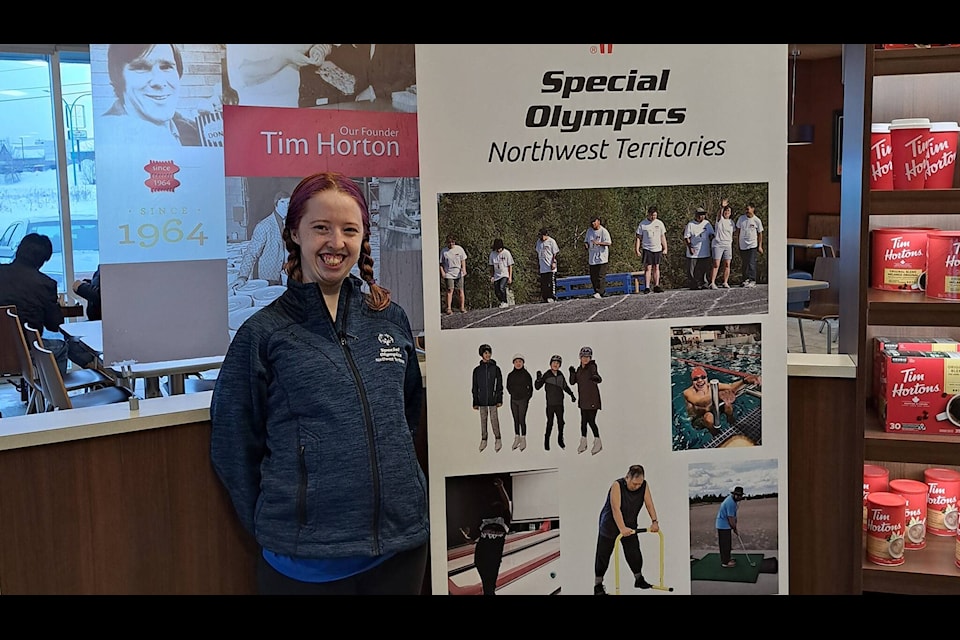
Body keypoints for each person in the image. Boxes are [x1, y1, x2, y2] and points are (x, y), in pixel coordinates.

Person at [209, 172, 428, 595]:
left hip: (400, 550)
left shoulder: (390, 320)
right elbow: (233, 442)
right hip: (303, 564)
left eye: (349, 229)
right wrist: (281, 523)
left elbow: (407, 415)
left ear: (363, 237)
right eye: (321, 228)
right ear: (295, 232)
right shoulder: (264, 335)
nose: (336, 242)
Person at [0, 233, 95, 376]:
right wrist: (54, 304)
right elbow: (54, 324)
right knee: (61, 347)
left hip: (4, 352)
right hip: (25, 350)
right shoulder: (45, 284)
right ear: (43, 259)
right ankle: (57, 395)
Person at [102, 44, 202, 146]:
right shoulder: (107, 136)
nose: (158, 81)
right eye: (141, 67)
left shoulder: (195, 132)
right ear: (118, 77)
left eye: (166, 67)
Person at [594, 464, 660, 595]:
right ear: (627, 478)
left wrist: (654, 521)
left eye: (639, 484)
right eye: (634, 484)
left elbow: (649, 503)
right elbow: (615, 509)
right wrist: (621, 528)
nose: (637, 487)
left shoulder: (644, 485)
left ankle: (639, 579)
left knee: (634, 552)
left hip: (629, 525)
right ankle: (598, 585)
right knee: (603, 555)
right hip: (609, 525)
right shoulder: (617, 485)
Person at [225, 44, 327, 108]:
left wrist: (319, 49)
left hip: (291, 103)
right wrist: (285, 59)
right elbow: (240, 76)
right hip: (256, 109)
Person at [460, 477, 512, 596]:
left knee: (490, 585)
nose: (496, 507)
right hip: (481, 557)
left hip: (493, 557)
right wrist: (465, 536)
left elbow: (506, 504)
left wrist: (500, 487)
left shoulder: (503, 521)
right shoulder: (484, 522)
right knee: (488, 584)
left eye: (497, 505)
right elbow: (472, 541)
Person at [683, 366, 761, 437]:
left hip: (714, 409)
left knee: (728, 405)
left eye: (703, 377)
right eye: (695, 379)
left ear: (707, 378)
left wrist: (745, 381)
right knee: (708, 417)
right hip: (699, 418)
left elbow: (731, 387)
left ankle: (732, 423)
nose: (700, 380)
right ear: (692, 381)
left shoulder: (712, 385)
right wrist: (718, 394)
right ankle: (716, 434)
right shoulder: (688, 392)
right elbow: (701, 403)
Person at [236, 190, 292, 288]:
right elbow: (251, 253)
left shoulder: (288, 224)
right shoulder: (264, 226)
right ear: (276, 204)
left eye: (288, 203)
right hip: (267, 277)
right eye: (282, 202)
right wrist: (243, 276)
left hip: (282, 275)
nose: (286, 206)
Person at [534, 354, 576, 451]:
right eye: (554, 363)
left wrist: (572, 395)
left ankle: (560, 439)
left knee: (561, 422)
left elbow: (565, 387)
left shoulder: (561, 375)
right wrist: (538, 379)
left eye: (558, 363)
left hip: (560, 403)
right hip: (550, 404)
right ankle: (546, 440)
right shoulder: (547, 374)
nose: (555, 365)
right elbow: (537, 387)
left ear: (560, 365)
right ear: (550, 364)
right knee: (550, 422)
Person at [569, 346, 603, 455]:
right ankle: (583, 442)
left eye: (588, 357)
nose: (586, 359)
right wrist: (572, 373)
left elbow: (596, 374)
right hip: (583, 400)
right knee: (583, 421)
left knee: (591, 421)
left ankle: (598, 441)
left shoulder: (592, 366)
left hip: (592, 399)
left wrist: (596, 377)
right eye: (584, 357)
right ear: (580, 357)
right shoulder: (579, 370)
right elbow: (572, 382)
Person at [472, 343, 504, 453]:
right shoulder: (477, 370)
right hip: (481, 400)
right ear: (481, 354)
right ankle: (484, 439)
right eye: (485, 353)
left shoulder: (495, 368)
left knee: (494, 419)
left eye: (489, 352)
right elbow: (475, 386)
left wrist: (499, 398)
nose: (488, 355)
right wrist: (475, 401)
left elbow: (499, 384)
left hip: (493, 399)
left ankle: (498, 438)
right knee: (483, 420)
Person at [634, 205, 668, 294]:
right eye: (652, 215)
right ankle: (647, 287)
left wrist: (665, 248)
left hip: (657, 248)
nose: (653, 217)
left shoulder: (659, 223)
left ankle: (656, 285)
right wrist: (637, 249)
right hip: (647, 248)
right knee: (648, 268)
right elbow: (638, 238)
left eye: (655, 215)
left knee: (656, 267)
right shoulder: (642, 224)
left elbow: (662, 236)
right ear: (648, 214)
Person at [506, 353, 533, 451]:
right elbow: (508, 386)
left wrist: (527, 398)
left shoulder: (526, 374)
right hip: (513, 400)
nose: (518, 363)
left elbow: (531, 387)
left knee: (522, 419)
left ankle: (523, 438)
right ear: (513, 363)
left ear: (523, 363)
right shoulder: (511, 375)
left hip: (523, 400)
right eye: (516, 362)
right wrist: (513, 394)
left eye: (520, 362)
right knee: (515, 419)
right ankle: (517, 437)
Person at [683, 207, 715, 290]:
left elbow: (712, 234)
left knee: (703, 268)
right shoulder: (691, 224)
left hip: (704, 250)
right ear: (696, 215)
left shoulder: (707, 224)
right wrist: (690, 247)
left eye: (703, 215)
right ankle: (693, 284)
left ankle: (704, 283)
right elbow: (686, 237)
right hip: (694, 251)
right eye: (700, 215)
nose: (702, 216)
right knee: (692, 269)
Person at [735, 202, 765, 288]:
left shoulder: (757, 220)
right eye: (746, 209)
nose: (747, 211)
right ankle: (745, 279)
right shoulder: (741, 219)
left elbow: (760, 234)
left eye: (748, 209)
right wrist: (737, 243)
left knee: (751, 262)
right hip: (743, 245)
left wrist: (760, 246)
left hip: (752, 245)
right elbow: (738, 231)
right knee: (744, 263)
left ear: (753, 209)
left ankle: (752, 279)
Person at [716, 486, 745, 568]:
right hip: (723, 525)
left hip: (726, 525)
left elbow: (734, 516)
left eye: (740, 495)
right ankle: (725, 562)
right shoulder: (730, 503)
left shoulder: (733, 500)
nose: (739, 497)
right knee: (725, 544)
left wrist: (734, 526)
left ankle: (727, 559)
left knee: (728, 544)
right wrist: (734, 528)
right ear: (734, 494)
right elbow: (730, 518)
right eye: (738, 495)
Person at [709, 199, 735, 289]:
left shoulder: (732, 222)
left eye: (728, 211)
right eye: (726, 211)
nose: (727, 212)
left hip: (728, 245)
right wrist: (722, 207)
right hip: (718, 244)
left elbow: (733, 233)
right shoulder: (720, 220)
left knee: (727, 264)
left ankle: (725, 282)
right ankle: (712, 282)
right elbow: (719, 215)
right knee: (716, 264)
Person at [440, 234, 468, 315]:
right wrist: (442, 272)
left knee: (460, 290)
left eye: (453, 242)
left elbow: (463, 260)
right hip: (449, 273)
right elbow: (441, 263)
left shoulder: (459, 249)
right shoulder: (444, 251)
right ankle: (448, 308)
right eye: (449, 242)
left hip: (459, 273)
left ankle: (462, 307)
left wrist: (464, 269)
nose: (451, 244)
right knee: (450, 290)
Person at [584, 216, 612, 298]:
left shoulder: (603, 231)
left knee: (600, 276)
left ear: (598, 222)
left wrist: (599, 243)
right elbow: (586, 241)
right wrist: (586, 245)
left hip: (601, 257)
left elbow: (608, 242)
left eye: (594, 222)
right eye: (592, 222)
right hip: (592, 257)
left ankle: (600, 292)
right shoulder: (589, 231)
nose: (593, 224)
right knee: (593, 276)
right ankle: (597, 291)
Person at [536, 228, 560, 303]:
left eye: (542, 235)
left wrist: (553, 262)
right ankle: (545, 297)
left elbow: (555, 253)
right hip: (543, 266)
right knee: (544, 284)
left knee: (551, 282)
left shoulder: (551, 241)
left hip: (550, 266)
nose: (541, 237)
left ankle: (553, 296)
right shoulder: (539, 242)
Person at [488, 238, 514, 309]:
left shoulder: (507, 253)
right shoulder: (492, 254)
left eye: (500, 248)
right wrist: (492, 276)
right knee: (496, 291)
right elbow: (491, 266)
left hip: (504, 274)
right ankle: (502, 301)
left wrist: (510, 277)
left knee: (501, 287)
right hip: (497, 275)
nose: (498, 250)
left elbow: (510, 265)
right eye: (497, 249)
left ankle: (505, 302)